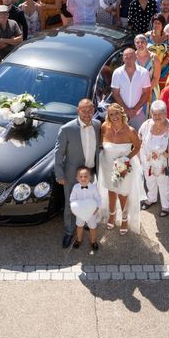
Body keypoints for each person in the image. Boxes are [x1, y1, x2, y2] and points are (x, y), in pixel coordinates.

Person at [54, 99, 101, 248]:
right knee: (70, 203)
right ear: (78, 111)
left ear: (93, 110)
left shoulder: (98, 125)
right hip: (71, 174)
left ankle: (87, 221)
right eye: (83, 110)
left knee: (89, 198)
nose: (87, 113)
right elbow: (58, 153)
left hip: (91, 173)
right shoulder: (67, 129)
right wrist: (59, 174)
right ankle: (69, 231)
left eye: (90, 110)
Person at [98, 104, 142, 235]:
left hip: (123, 165)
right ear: (108, 116)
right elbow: (101, 144)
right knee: (111, 190)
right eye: (111, 114)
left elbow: (137, 147)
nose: (114, 117)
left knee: (123, 193)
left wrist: (125, 159)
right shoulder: (104, 127)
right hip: (107, 164)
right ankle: (112, 215)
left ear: (121, 114)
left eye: (116, 113)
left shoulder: (130, 131)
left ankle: (124, 219)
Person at [138, 100, 169, 217]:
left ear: (166, 114)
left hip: (164, 166)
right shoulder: (146, 125)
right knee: (150, 182)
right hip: (148, 163)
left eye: (160, 114)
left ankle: (166, 206)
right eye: (154, 114)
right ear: (151, 114)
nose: (157, 117)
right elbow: (139, 137)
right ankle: (151, 199)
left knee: (164, 185)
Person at [111, 48, 151, 130]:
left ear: (136, 57)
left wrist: (135, 110)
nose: (129, 59)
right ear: (123, 58)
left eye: (131, 57)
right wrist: (126, 110)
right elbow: (115, 93)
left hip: (138, 114)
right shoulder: (117, 73)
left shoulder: (144, 73)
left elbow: (146, 93)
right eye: (126, 57)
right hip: (120, 114)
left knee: (139, 139)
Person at [69, 166, 101, 250]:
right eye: (81, 177)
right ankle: (79, 239)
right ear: (77, 178)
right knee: (79, 226)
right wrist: (73, 208)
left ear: (90, 177)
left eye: (86, 176)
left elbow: (98, 199)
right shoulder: (75, 188)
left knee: (92, 227)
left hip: (91, 212)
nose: (83, 178)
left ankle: (93, 241)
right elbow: (72, 199)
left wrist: (97, 208)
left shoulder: (93, 188)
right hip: (79, 212)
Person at [134, 33, 161, 116]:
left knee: (151, 114)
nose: (140, 44)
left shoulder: (154, 57)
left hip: (151, 89)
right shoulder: (132, 57)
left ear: (146, 43)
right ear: (135, 44)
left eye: (142, 42)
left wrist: (146, 91)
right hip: (135, 90)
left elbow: (156, 77)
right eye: (137, 42)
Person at [145, 13, 169, 88]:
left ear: (163, 25)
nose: (157, 25)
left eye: (159, 23)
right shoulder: (146, 36)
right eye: (155, 23)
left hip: (163, 70)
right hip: (147, 69)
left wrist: (159, 67)